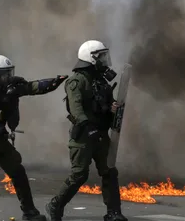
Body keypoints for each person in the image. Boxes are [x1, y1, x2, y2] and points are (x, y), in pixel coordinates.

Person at [0, 54, 67, 221]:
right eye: (4, 74)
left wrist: (54, 82)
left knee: (17, 170)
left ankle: (29, 212)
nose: (8, 77)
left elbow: (33, 87)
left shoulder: (9, 87)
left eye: (9, 73)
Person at [45, 40, 128, 221]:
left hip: (100, 134)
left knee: (109, 171)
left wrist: (111, 108)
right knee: (79, 175)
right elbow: (76, 109)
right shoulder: (76, 81)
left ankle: (114, 213)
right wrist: (88, 128)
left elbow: (103, 106)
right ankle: (55, 205)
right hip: (83, 136)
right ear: (91, 59)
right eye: (101, 56)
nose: (105, 60)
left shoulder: (102, 81)